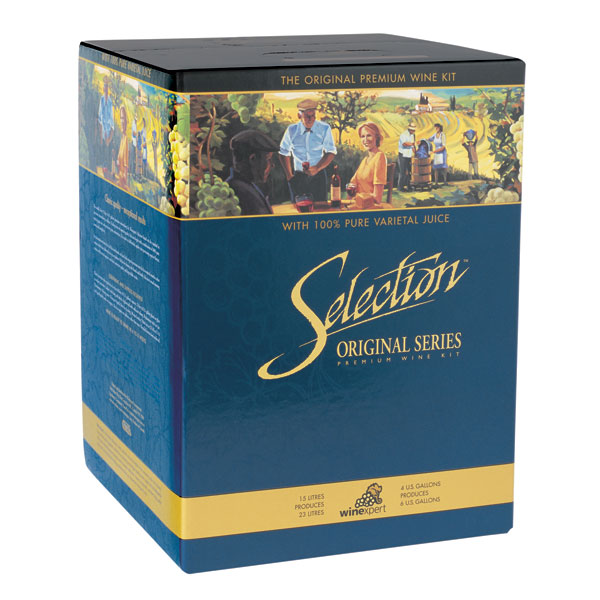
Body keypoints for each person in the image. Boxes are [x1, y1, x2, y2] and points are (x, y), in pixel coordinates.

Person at [279, 98, 337, 204]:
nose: (311, 119)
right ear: (299, 116)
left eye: (313, 116)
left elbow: (331, 151)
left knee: (320, 207)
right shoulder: (292, 130)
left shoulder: (324, 128)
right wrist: (289, 176)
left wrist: (317, 167)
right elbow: (283, 153)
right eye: (307, 116)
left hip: (318, 177)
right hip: (298, 177)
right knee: (298, 208)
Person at [226, 130, 280, 215]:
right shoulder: (244, 193)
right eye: (268, 159)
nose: (272, 165)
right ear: (253, 159)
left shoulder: (239, 186)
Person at [350, 122, 387, 207]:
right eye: (363, 136)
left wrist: (358, 198)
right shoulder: (365, 160)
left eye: (369, 135)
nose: (365, 140)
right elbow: (352, 184)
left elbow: (377, 198)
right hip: (358, 204)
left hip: (369, 206)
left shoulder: (379, 157)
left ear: (376, 137)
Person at [97, 76, 114, 173]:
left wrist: (110, 136)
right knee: (103, 147)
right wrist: (101, 132)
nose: (106, 89)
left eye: (107, 87)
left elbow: (112, 119)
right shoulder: (102, 99)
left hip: (109, 129)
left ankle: (108, 167)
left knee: (108, 148)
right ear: (103, 88)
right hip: (103, 129)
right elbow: (100, 116)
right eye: (105, 87)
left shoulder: (110, 102)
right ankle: (104, 165)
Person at [397, 120, 416, 191]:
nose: (413, 131)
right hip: (402, 155)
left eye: (414, 130)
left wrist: (415, 151)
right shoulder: (404, 134)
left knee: (410, 172)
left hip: (409, 155)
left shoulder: (413, 135)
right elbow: (404, 144)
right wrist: (413, 144)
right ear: (409, 129)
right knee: (403, 172)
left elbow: (412, 146)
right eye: (412, 130)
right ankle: (400, 187)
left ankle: (409, 186)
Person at [116, 106, 129, 188]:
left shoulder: (126, 139)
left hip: (123, 182)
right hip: (120, 178)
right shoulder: (122, 138)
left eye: (123, 118)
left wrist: (124, 175)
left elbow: (126, 163)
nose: (122, 121)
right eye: (121, 118)